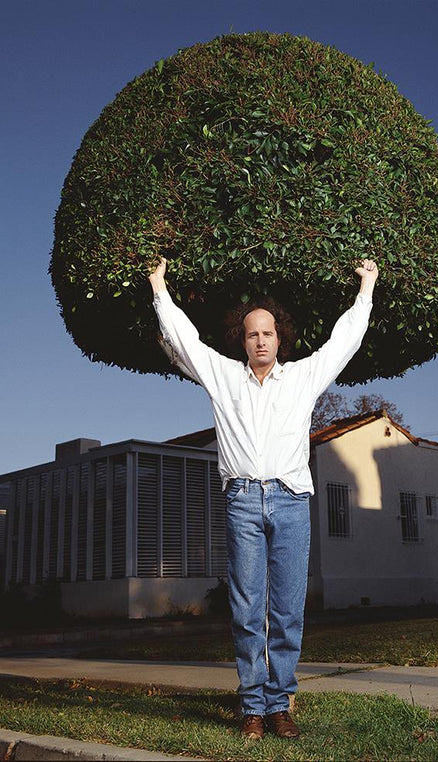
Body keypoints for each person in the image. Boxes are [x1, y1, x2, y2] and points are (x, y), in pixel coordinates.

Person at [148, 257, 378, 739]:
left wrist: (366, 288)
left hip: (292, 500)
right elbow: (185, 339)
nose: (260, 340)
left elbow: (344, 342)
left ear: (279, 338)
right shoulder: (222, 377)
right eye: (252, 334)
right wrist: (158, 286)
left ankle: (281, 704)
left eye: (267, 333)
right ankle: (252, 705)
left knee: (288, 609)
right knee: (248, 607)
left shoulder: (302, 378)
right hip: (243, 502)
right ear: (242, 339)